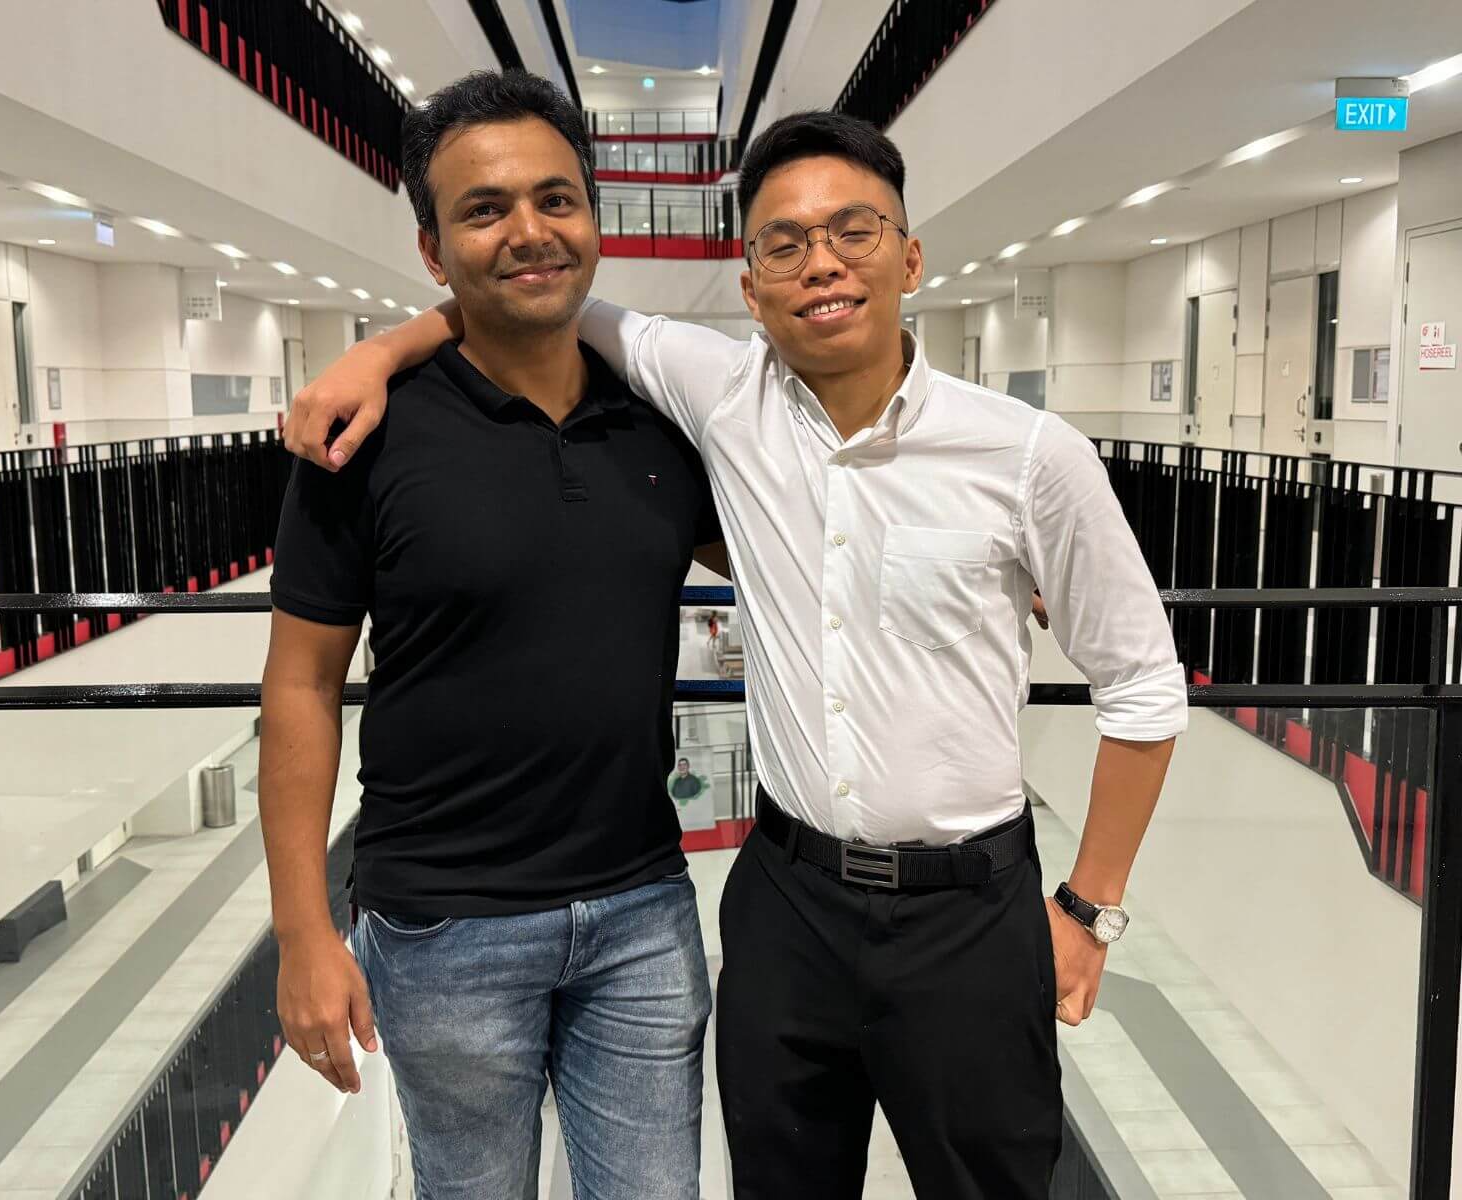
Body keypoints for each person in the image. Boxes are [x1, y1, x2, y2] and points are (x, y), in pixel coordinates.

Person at [288, 100, 1186, 1200]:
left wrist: (1089, 910)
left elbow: (1142, 687)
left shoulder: (1023, 454)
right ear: (748, 286)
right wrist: (387, 346)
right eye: (783, 244)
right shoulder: (723, 401)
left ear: (908, 256)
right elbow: (531, 294)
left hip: (946, 911)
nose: (822, 265)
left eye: (853, 232)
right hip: (763, 908)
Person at [256, 70, 722, 1200]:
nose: (529, 231)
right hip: (441, 929)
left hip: (642, 912)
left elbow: (817, 545)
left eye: (556, 200)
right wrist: (304, 938)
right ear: (432, 248)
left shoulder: (658, 424)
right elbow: (302, 689)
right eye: (485, 209)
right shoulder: (362, 438)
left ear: (594, 218)